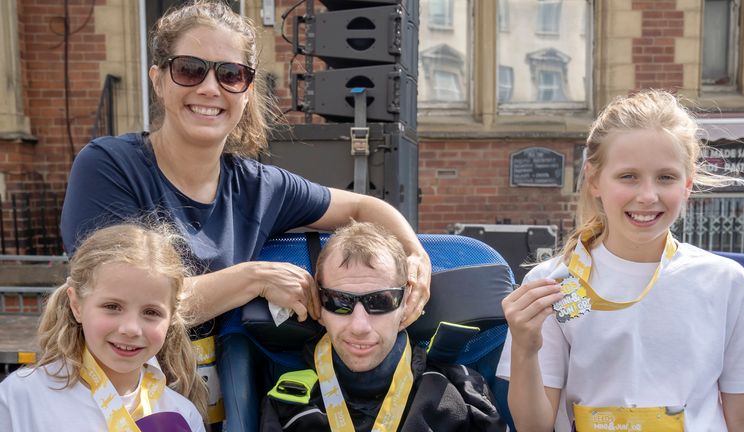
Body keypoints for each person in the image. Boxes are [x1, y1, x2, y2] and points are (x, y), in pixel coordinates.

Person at [59, 1, 430, 429]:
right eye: (190, 69)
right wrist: (253, 279)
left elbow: (366, 207)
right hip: (110, 403)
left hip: (218, 408)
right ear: (158, 80)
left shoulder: (258, 185)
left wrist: (414, 254)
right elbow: (127, 303)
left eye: (230, 74)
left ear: (247, 90)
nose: (210, 88)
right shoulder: (108, 166)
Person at [496, 89, 744, 432]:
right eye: (628, 176)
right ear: (595, 180)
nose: (648, 196)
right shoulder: (552, 282)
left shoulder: (727, 282)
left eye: (666, 177)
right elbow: (533, 425)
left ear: (687, 184)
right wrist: (524, 347)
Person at [260, 221, 507, 431]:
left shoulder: (463, 396)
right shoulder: (287, 405)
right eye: (338, 301)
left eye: (380, 301)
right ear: (318, 303)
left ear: (407, 300)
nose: (359, 326)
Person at [0, 224, 207, 432]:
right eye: (112, 307)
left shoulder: (183, 416)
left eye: (151, 312)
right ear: (76, 305)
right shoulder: (18, 400)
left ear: (171, 317)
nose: (131, 329)